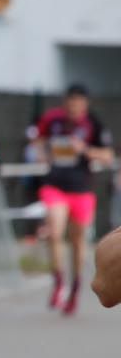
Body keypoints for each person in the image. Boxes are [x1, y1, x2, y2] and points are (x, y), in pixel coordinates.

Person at [30, 85, 114, 316]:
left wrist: (85, 149)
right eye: (70, 103)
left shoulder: (94, 124)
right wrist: (42, 152)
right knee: (55, 232)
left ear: (85, 105)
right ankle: (58, 281)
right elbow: (37, 140)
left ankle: (75, 287)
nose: (73, 108)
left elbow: (108, 156)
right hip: (54, 185)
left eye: (78, 104)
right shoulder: (53, 119)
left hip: (82, 189)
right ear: (64, 103)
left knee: (77, 242)